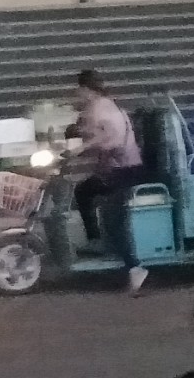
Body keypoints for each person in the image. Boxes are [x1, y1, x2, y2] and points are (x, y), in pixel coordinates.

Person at [69, 69, 149, 294]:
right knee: (84, 191)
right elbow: (95, 131)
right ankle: (95, 240)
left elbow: (110, 135)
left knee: (114, 219)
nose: (77, 93)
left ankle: (135, 267)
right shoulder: (101, 106)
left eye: (79, 89)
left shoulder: (101, 107)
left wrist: (80, 149)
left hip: (124, 171)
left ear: (87, 89)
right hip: (117, 170)